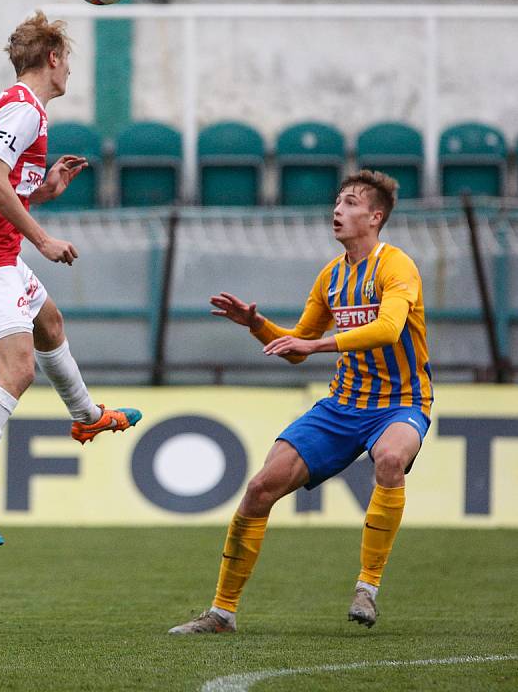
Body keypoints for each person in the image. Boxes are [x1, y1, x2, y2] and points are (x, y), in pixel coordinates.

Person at [168, 170, 432, 633]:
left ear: (375, 217)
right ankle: (222, 613)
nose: (338, 209)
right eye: (337, 201)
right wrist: (256, 324)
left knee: (389, 457)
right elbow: (295, 346)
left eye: (350, 203)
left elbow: (388, 330)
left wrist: (316, 346)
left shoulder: (397, 266)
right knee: (258, 490)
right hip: (342, 406)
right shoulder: (331, 277)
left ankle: (366, 589)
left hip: (401, 402)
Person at [0, 11, 141, 546]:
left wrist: (45, 190)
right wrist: (44, 238)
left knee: (49, 322)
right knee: (18, 370)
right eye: (67, 59)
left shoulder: (20, 110)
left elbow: (1, 184)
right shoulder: (24, 111)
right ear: (53, 59)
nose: (70, 69)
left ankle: (87, 416)